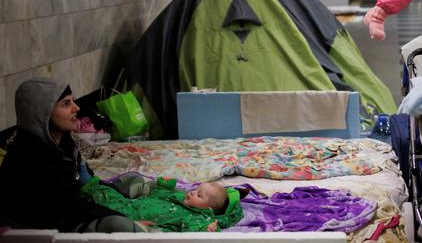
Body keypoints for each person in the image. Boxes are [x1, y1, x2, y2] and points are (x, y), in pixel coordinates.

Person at [0, 77, 145, 232]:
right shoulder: (28, 158)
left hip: (69, 210)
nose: (76, 108)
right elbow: (68, 207)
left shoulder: (65, 144)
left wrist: (110, 189)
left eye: (73, 101)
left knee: (134, 181)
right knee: (119, 225)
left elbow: (84, 183)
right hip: (46, 228)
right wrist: (124, 217)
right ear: (42, 113)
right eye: (66, 104)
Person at [81, 173, 243, 232]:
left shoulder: (199, 219)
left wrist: (206, 230)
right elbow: (166, 195)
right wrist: (164, 185)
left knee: (107, 198)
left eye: (199, 195)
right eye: (196, 189)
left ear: (207, 208)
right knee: (133, 181)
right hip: (139, 203)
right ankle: (88, 183)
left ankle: (85, 184)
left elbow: (193, 232)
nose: (192, 192)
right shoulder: (183, 198)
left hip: (135, 215)